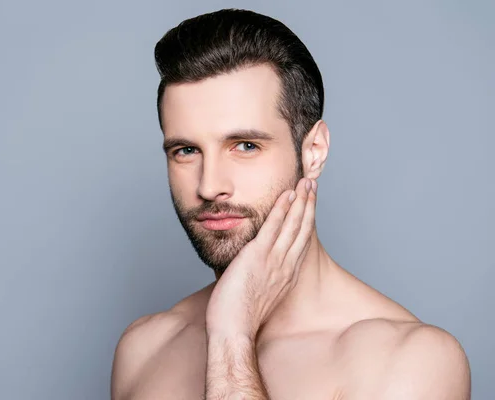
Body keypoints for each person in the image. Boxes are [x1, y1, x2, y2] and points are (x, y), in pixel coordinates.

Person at [111, 8, 471, 400]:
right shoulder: (143, 349)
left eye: (246, 146)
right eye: (185, 150)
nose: (210, 185)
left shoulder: (410, 362)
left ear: (313, 151)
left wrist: (233, 336)